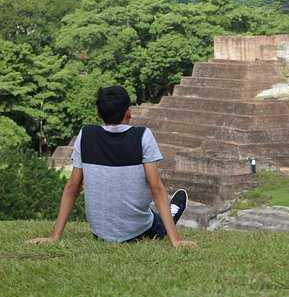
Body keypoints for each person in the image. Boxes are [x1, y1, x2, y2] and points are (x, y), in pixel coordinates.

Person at [29, 86, 196, 248]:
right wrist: (176, 241)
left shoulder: (85, 135)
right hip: (138, 232)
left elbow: (72, 186)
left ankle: (162, 214)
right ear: (128, 112)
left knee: (149, 212)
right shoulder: (142, 136)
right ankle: (172, 214)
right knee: (156, 220)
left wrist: (54, 236)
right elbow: (156, 188)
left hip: (100, 233)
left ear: (99, 113)